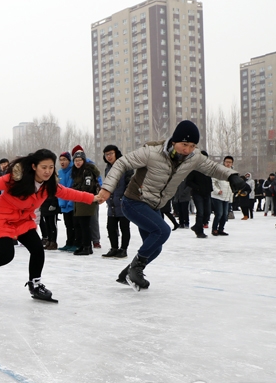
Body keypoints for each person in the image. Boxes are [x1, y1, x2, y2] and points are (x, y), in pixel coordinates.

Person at [97, 121, 243, 291]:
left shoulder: (193, 157)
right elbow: (122, 163)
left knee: (155, 248)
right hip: (134, 201)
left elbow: (212, 168)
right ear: (174, 142)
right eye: (184, 144)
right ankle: (136, 268)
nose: (187, 150)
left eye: (192, 145)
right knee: (163, 231)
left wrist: (232, 176)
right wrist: (107, 189)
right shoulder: (152, 153)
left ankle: (127, 273)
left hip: (153, 206)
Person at [0, 149, 100, 301]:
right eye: (44, 167)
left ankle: (35, 284)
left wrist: (93, 198)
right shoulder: (16, 179)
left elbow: (69, 193)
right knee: (6, 255)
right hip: (2, 219)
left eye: (51, 167)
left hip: (23, 220)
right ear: (34, 166)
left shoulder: (49, 185)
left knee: (37, 249)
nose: (47, 171)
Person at [101, 145, 132, 258]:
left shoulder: (125, 165)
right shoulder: (107, 168)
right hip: (112, 203)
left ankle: (123, 249)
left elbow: (130, 183)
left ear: (116, 153)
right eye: (106, 154)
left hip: (123, 202)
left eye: (111, 153)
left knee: (124, 228)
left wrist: (126, 197)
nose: (109, 156)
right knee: (110, 227)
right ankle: (114, 248)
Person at [70, 150, 100, 256]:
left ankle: (87, 247)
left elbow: (87, 186)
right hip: (79, 201)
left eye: (80, 160)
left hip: (86, 201)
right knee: (78, 224)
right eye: (76, 160)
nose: (77, 162)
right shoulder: (77, 172)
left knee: (84, 225)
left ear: (84, 160)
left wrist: (75, 190)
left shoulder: (87, 171)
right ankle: (83, 245)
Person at [185, 150, 212, 238]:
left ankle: (197, 226)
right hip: (197, 193)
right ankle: (199, 231)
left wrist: (210, 189)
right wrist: (197, 187)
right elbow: (188, 182)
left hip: (207, 193)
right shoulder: (193, 169)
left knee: (207, 212)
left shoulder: (208, 168)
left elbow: (210, 180)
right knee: (200, 212)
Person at [56, 152, 76, 251]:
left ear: (69, 160)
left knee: (74, 225)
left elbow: (73, 187)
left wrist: (71, 201)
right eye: (61, 160)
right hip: (63, 204)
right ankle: (69, 242)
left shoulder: (73, 171)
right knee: (68, 225)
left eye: (65, 159)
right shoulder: (59, 173)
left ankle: (76, 243)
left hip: (72, 202)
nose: (62, 162)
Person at [210, 156, 234, 236]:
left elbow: (232, 185)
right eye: (227, 162)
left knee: (225, 215)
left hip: (226, 197)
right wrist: (217, 191)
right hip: (218, 196)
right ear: (224, 162)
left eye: (230, 162)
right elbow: (213, 182)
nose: (228, 164)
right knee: (219, 213)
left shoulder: (233, 173)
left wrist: (231, 197)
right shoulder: (218, 171)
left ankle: (221, 229)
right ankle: (214, 229)